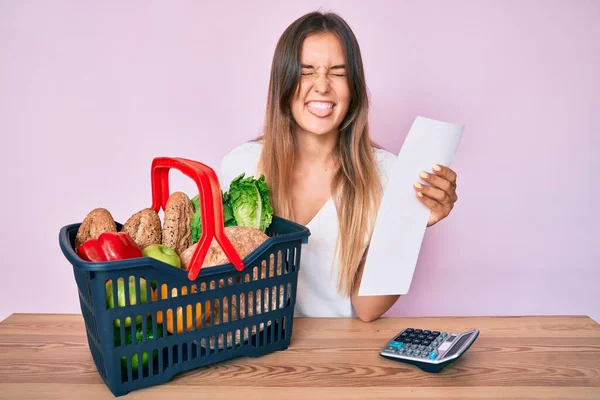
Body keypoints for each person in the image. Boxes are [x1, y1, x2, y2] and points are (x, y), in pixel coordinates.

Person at [219, 11, 458, 322]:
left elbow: (368, 309)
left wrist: (410, 224)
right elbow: (227, 295)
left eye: (338, 72)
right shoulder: (242, 167)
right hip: (260, 354)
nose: (322, 86)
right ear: (284, 83)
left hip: (341, 355)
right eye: (306, 71)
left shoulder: (387, 174)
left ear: (354, 88)